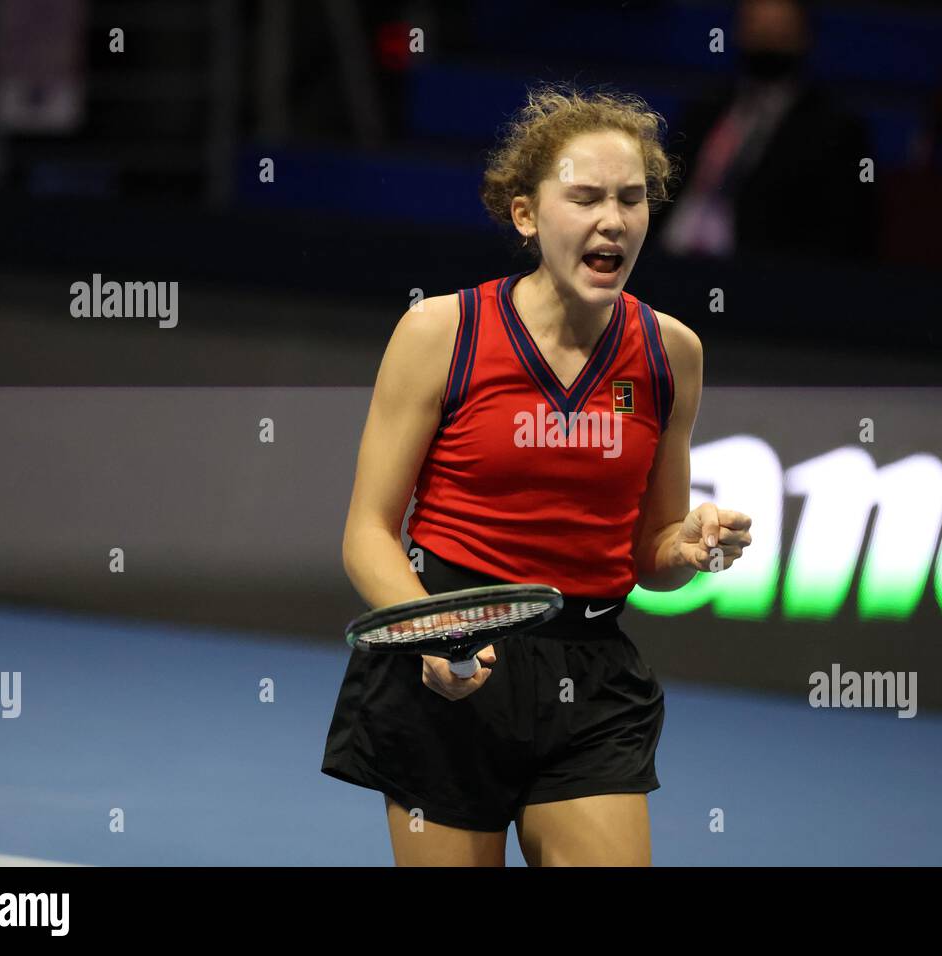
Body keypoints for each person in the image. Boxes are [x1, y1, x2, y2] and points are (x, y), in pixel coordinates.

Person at [322, 84, 753, 866]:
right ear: (526, 215)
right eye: (584, 197)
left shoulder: (671, 354)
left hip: (592, 681)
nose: (612, 220)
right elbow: (367, 533)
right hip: (450, 664)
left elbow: (651, 559)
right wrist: (433, 631)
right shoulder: (441, 333)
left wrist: (688, 548)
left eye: (631, 199)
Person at [661, 0, 874, 260]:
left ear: (804, 37)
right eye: (757, 29)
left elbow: (844, 235)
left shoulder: (835, 131)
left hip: (756, 274)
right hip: (668, 258)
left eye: (778, 33)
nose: (767, 42)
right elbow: (662, 192)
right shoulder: (703, 112)